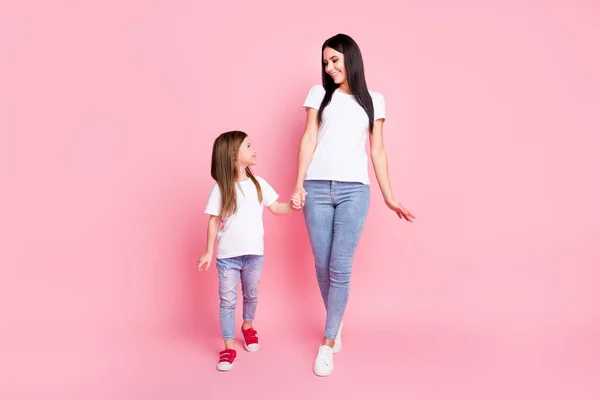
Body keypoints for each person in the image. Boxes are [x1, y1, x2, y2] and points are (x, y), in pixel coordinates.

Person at [291, 33, 416, 377]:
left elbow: (377, 150)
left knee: (340, 267)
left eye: (334, 60)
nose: (329, 67)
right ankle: (337, 320)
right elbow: (309, 138)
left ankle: (328, 342)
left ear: (351, 58)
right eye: (325, 62)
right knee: (321, 264)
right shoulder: (319, 95)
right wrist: (299, 184)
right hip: (316, 188)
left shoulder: (374, 100)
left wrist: (389, 196)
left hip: (354, 191)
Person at [197, 130, 295, 371]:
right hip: (227, 258)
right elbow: (213, 221)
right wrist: (209, 251)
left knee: (251, 294)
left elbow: (277, 208)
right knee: (227, 302)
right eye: (248, 145)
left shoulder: (258, 184)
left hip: (254, 255)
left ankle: (248, 326)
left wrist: (294, 205)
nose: (254, 150)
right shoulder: (221, 188)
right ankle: (229, 347)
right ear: (233, 155)